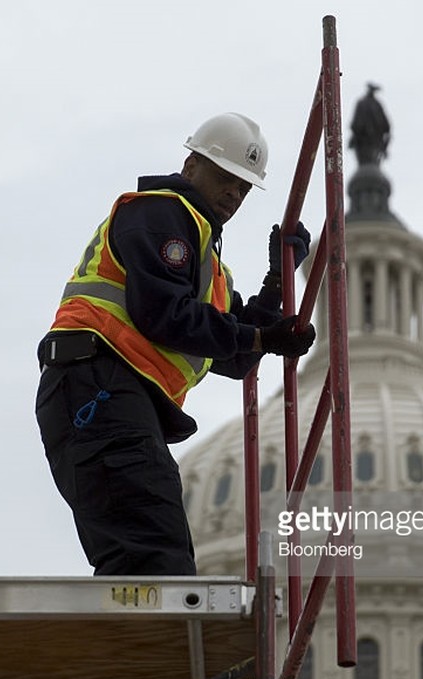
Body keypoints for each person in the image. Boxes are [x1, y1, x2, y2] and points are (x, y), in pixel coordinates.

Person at [35, 112, 315, 576]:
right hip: (98, 387)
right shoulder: (159, 213)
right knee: (153, 560)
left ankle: (138, 646)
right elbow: (163, 314)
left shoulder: (209, 269)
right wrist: (265, 335)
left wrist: (278, 282)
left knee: (157, 557)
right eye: (226, 177)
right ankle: (142, 648)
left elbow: (238, 356)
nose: (234, 193)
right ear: (191, 167)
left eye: (244, 187)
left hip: (112, 397)